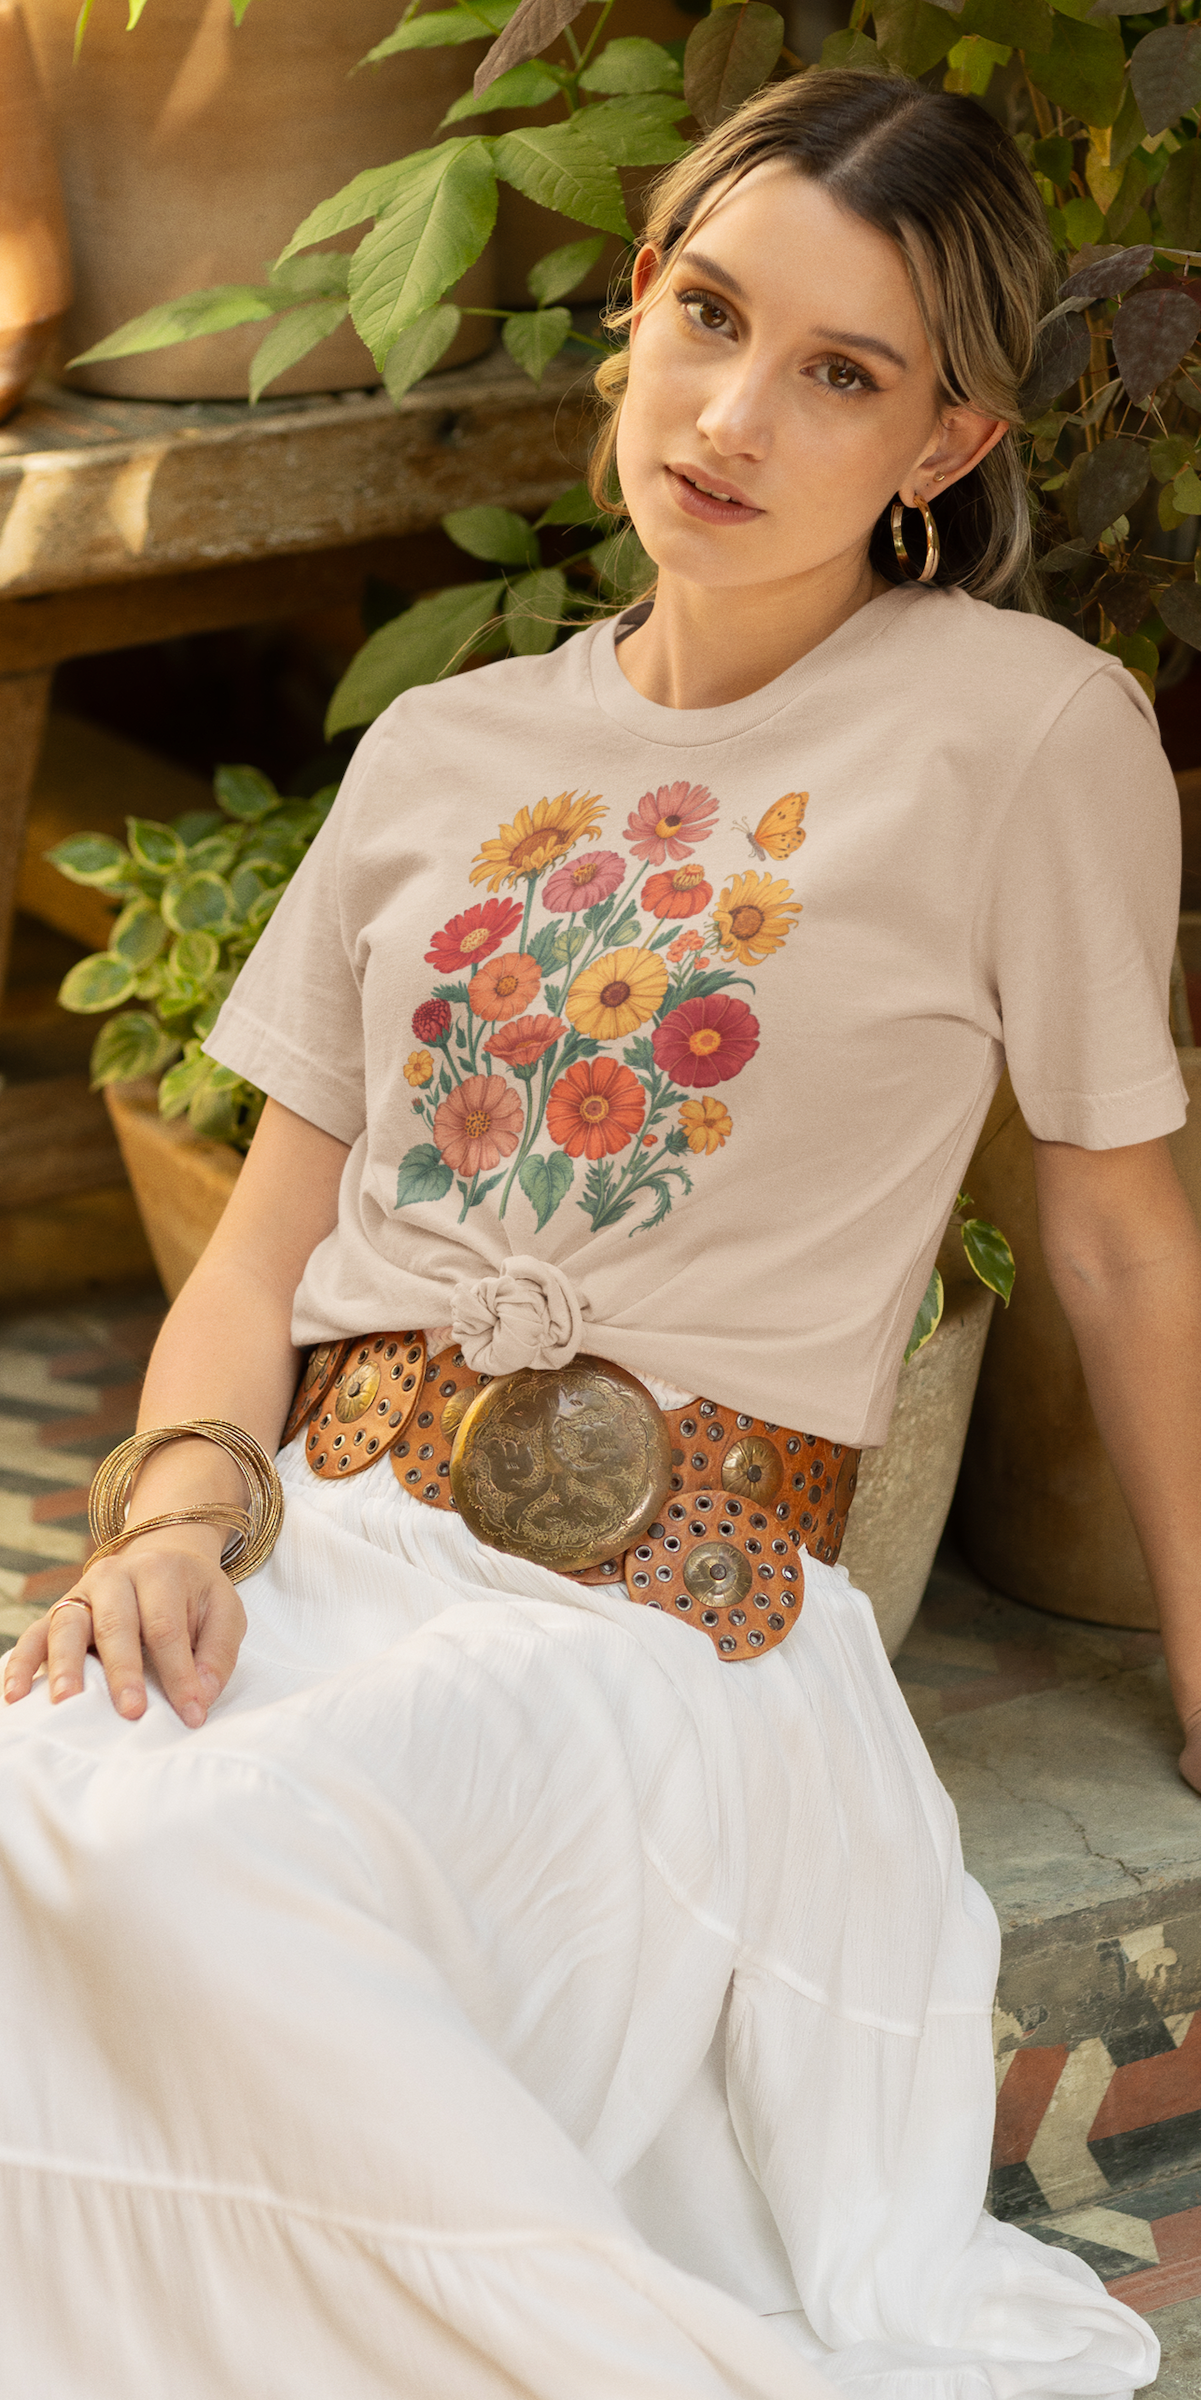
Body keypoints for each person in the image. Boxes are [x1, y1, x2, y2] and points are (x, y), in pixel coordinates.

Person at [0, 68, 1190, 2400]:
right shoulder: (438, 751)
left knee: (185, 1866)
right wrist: (166, 1520)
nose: (734, 412)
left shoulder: (1033, 734)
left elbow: (1124, 1239)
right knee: (53, 1801)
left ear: (943, 449)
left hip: (670, 1641)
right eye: (709, 316)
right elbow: (261, 1254)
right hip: (323, 1551)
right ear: (634, 308)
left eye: (840, 373)